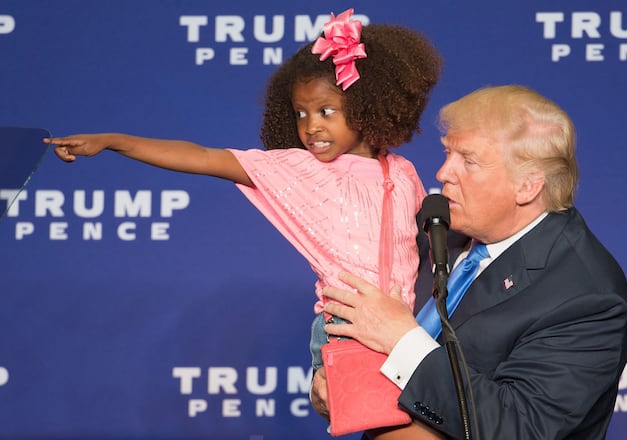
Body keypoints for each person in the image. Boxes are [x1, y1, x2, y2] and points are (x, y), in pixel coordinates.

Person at [44, 8, 443, 373]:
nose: (311, 127)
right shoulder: (301, 170)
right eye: (300, 113)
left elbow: (432, 249)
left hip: (404, 326)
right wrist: (115, 140)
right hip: (347, 329)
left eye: (326, 111)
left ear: (366, 104)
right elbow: (202, 156)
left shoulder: (401, 171)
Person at [311, 85, 627, 439]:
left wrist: (402, 339)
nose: (444, 172)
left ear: (527, 186)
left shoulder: (584, 293)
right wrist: (336, 386)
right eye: (447, 153)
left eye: (468, 160)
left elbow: (518, 427)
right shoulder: (432, 229)